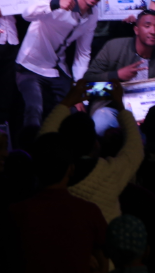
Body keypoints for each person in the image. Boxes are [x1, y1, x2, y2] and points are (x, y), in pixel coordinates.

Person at [39, 80, 146, 224]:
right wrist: (120, 105)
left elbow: (44, 139)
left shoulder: (52, 168)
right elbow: (135, 148)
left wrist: (66, 102)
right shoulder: (109, 172)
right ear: (96, 145)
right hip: (103, 237)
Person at [10, 132, 108, 273]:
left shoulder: (15, 213)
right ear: (71, 169)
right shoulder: (89, 212)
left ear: (35, 168)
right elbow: (104, 264)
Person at [16, 0, 105, 127]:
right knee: (34, 111)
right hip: (30, 66)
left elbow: (83, 53)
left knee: (76, 112)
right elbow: (27, 14)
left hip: (56, 69)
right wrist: (55, 3)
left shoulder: (93, 14)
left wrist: (78, 89)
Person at [83, 9, 155, 135]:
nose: (153, 31)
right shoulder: (113, 47)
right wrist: (117, 75)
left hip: (149, 114)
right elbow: (88, 83)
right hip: (114, 109)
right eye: (147, 26)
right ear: (136, 30)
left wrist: (151, 115)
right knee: (100, 122)